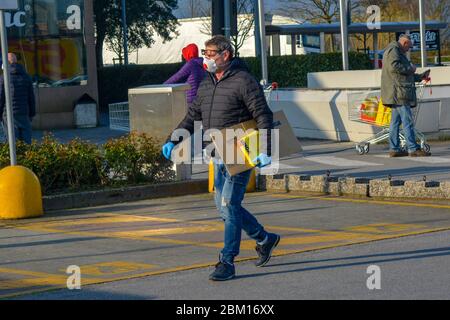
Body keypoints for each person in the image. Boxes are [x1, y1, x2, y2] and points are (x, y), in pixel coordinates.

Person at [162, 35, 280, 281]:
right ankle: (264, 239)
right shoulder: (206, 83)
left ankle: (227, 261)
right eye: (204, 53)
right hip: (217, 153)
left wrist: (265, 149)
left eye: (210, 53)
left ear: (226, 55)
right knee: (224, 208)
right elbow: (192, 115)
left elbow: (263, 115)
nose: (207, 58)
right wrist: (173, 139)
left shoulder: (243, 80)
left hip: (240, 150)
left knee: (229, 205)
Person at [381, 34, 431, 157]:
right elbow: (395, 67)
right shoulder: (394, 50)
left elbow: (402, 73)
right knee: (407, 121)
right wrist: (410, 68)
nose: (409, 49)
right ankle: (413, 149)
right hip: (399, 93)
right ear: (405, 43)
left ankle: (394, 149)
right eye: (409, 46)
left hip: (397, 92)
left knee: (395, 123)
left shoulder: (396, 51)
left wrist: (420, 76)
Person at [0, 53, 36, 144]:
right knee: (26, 143)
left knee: (12, 143)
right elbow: (31, 98)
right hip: (24, 113)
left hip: (9, 114)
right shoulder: (26, 76)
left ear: (6, 62)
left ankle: (15, 158)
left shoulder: (4, 77)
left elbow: (1, 98)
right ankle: (26, 158)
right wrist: (32, 113)